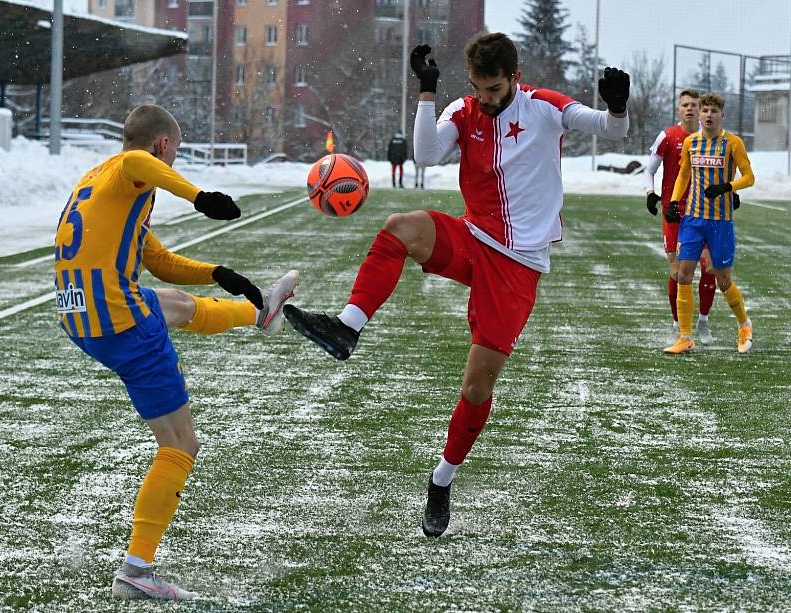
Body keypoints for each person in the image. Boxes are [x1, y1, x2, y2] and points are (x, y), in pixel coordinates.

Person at [282, 33, 629, 537]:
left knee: (475, 387)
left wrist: (616, 108)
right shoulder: (464, 111)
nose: (485, 98)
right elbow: (425, 155)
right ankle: (346, 328)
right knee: (400, 227)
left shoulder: (546, 107)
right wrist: (427, 90)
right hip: (472, 237)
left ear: (514, 76)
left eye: (493, 88)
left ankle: (442, 479)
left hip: (518, 266)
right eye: (478, 88)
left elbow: (608, 131)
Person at [53, 104, 299, 600]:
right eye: (174, 152)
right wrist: (198, 195)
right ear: (163, 145)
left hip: (82, 314)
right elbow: (141, 165)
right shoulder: (133, 168)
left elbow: (158, 261)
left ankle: (261, 313)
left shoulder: (101, 182)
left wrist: (220, 273)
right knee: (180, 446)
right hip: (118, 322)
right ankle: (137, 569)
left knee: (178, 304)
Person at [663, 92, 754, 354]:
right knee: (683, 274)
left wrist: (727, 186)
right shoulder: (691, 142)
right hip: (692, 219)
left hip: (720, 222)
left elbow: (749, 177)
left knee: (723, 280)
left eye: (714, 111)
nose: (708, 115)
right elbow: (683, 175)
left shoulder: (732, 143)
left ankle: (744, 325)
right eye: (705, 111)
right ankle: (685, 336)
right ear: (700, 114)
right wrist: (674, 201)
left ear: (721, 115)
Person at [644, 89, 718, 345]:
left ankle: (703, 323)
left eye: (694, 105)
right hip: (674, 213)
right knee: (677, 272)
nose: (689, 108)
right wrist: (650, 193)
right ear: (678, 109)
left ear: (701, 109)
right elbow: (650, 168)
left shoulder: (709, 137)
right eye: (685, 104)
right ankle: (677, 325)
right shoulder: (668, 136)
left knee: (709, 269)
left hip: (705, 212)